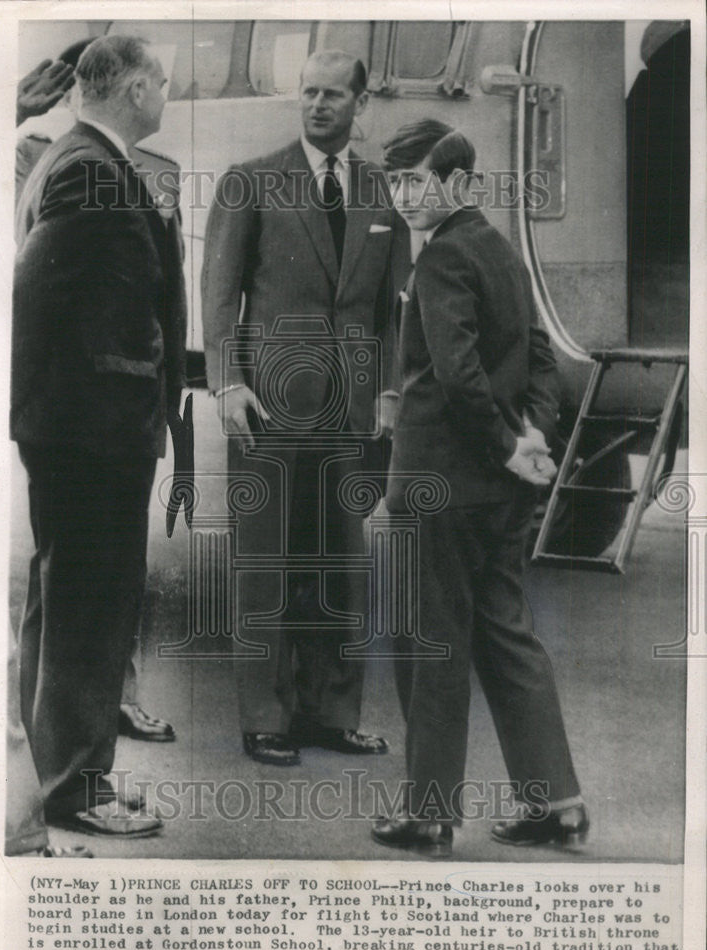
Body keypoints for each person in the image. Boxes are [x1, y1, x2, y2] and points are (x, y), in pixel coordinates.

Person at [371, 119, 588, 858]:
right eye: (394, 181)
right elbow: (540, 363)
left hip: (436, 484)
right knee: (506, 637)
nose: (403, 196)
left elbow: (458, 378)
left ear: (461, 184)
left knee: (428, 643)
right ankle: (556, 804)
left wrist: (504, 446)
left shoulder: (438, 262)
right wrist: (531, 443)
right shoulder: (501, 254)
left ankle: (428, 817)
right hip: (499, 492)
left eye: (417, 180)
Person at [202, 50, 407, 765]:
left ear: (360, 103)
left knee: (339, 564)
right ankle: (265, 717)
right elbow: (220, 297)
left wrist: (386, 390)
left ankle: (329, 710)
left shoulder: (382, 191)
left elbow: (389, 310)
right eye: (308, 92)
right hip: (268, 404)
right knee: (264, 564)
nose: (317, 104)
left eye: (332, 94)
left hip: (350, 409)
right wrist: (227, 383)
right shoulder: (250, 181)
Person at [12, 35, 186, 836]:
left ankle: (61, 776)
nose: (164, 93)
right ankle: (76, 793)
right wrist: (47, 414)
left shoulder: (79, 159)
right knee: (88, 608)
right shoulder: (89, 169)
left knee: (63, 606)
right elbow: (37, 297)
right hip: (91, 433)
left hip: (80, 425)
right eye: (157, 81)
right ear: (129, 89)